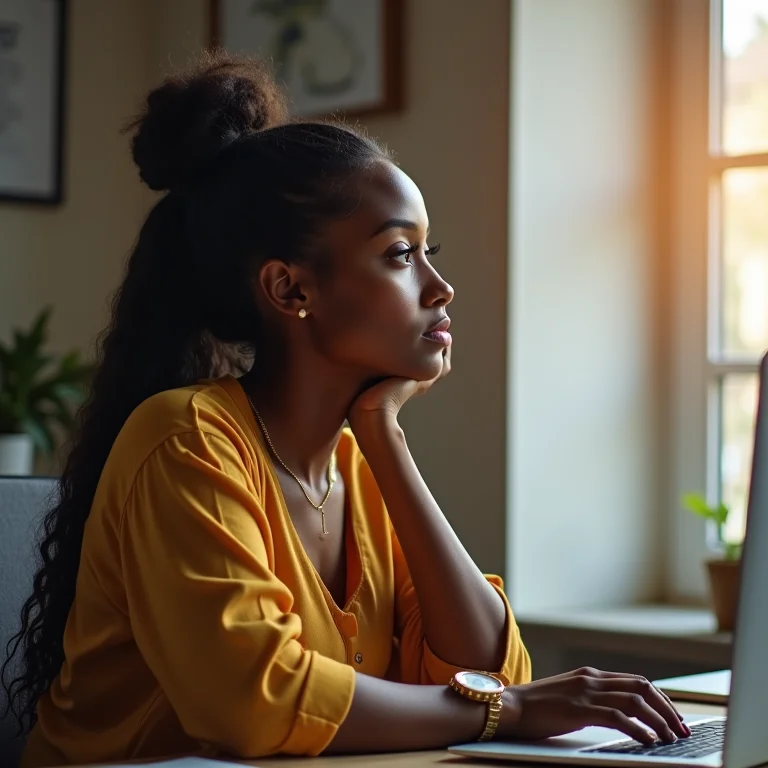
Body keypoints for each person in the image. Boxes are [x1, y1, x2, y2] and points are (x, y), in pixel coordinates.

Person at [2, 53, 690, 766]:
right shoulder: (186, 439)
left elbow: (488, 666)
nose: (441, 287)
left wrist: (383, 435)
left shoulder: (355, 461)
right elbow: (256, 701)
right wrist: (506, 712)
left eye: (428, 250)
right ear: (291, 290)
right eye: (400, 254)